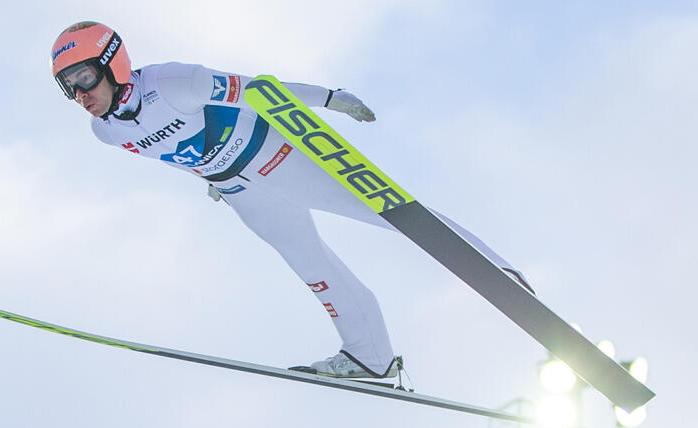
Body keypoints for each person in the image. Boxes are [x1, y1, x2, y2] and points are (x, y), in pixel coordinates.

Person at [50, 21, 532, 379]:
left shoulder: (176, 81)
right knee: (313, 268)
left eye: (85, 77)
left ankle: (497, 270)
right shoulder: (105, 132)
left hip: (280, 157)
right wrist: (210, 176)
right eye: (68, 86)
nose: (80, 94)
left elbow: (260, 91)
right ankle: (370, 357)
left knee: (389, 211)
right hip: (243, 192)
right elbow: (172, 148)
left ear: (113, 61)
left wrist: (327, 98)